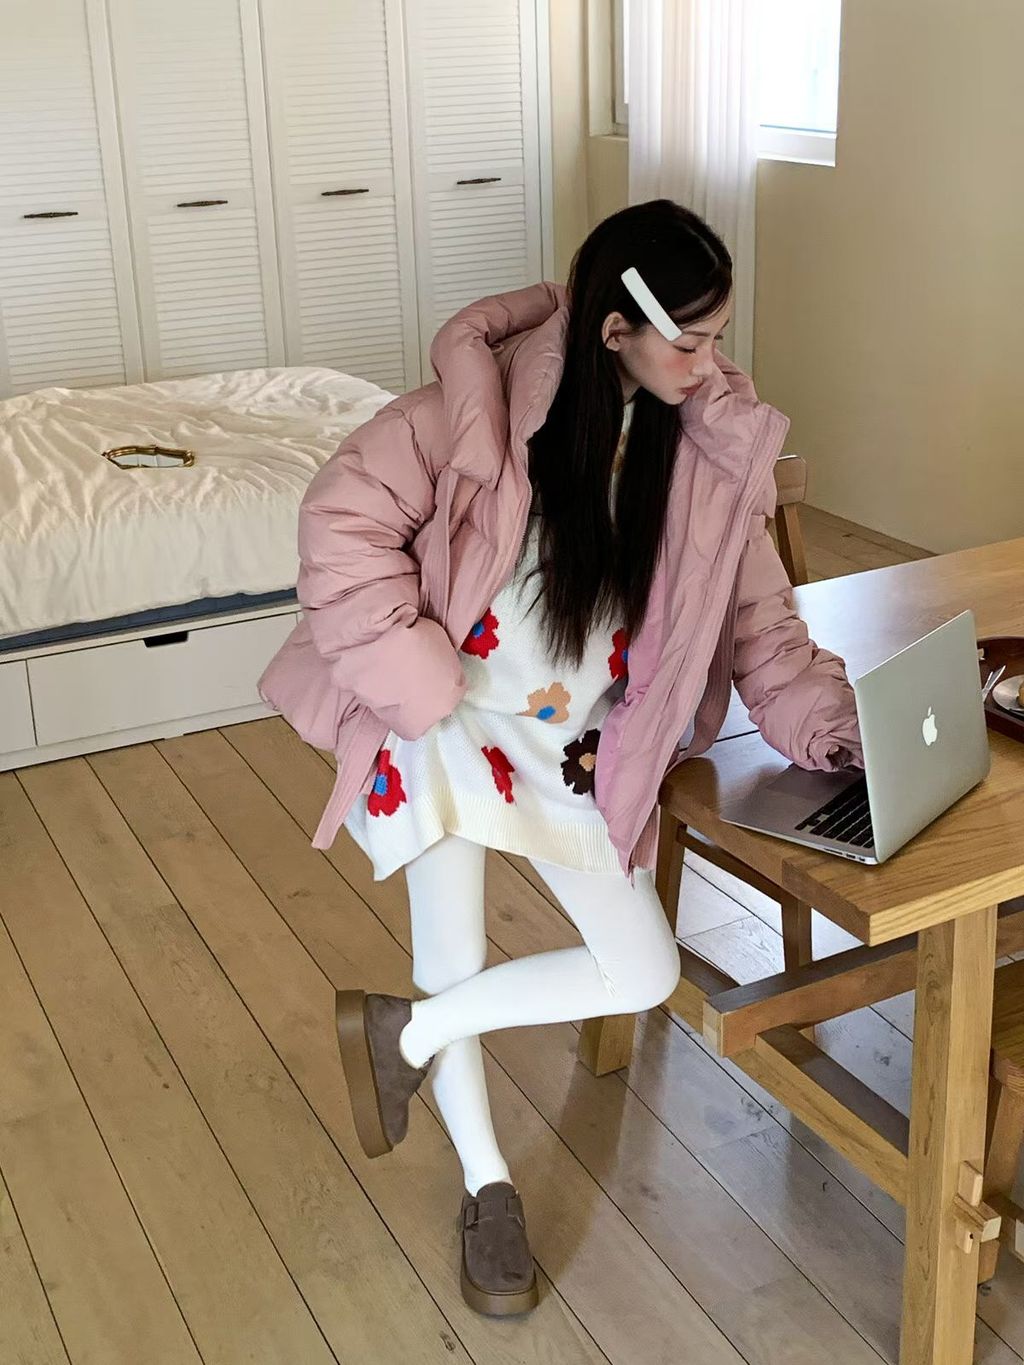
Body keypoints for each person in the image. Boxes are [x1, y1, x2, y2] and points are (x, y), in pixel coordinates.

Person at [259, 199, 862, 1317]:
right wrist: (412, 677)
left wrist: (835, 731)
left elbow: (759, 623)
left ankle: (405, 1034)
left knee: (643, 970)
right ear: (612, 330)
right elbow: (341, 522)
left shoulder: (706, 441)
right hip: (444, 729)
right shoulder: (470, 408)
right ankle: (486, 1185)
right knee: (449, 956)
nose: (710, 365)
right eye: (689, 340)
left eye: (718, 337)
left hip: (583, 752)